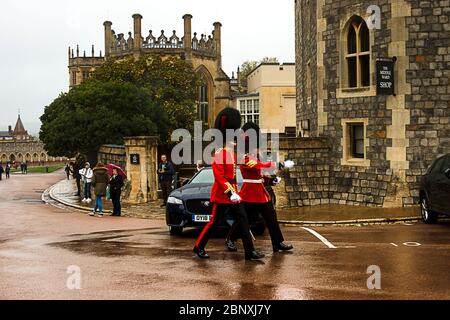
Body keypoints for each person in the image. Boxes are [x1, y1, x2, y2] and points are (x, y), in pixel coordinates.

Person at [193, 107, 264, 261]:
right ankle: (199, 246)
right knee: (213, 223)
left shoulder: (232, 153)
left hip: (234, 193)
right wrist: (230, 193)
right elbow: (219, 178)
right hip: (222, 195)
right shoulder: (219, 153)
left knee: (243, 221)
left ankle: (249, 252)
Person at [225, 122, 294, 253]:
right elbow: (260, 166)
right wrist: (281, 164)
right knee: (244, 220)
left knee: (271, 218)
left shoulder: (253, 157)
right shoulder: (244, 158)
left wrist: (272, 180)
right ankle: (230, 239)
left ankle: (277, 243)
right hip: (249, 194)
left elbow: (260, 175)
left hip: (261, 194)